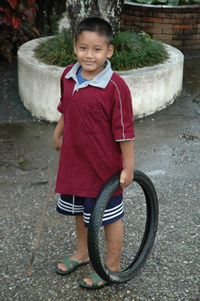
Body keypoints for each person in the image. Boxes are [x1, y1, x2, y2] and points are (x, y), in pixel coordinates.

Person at [53, 17, 135, 289]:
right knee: (80, 212)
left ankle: (111, 265)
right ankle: (84, 252)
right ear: (75, 46)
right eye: (84, 48)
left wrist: (129, 167)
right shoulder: (67, 75)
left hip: (103, 168)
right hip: (75, 162)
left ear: (109, 51)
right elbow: (66, 107)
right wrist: (58, 131)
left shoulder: (115, 87)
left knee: (108, 216)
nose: (89, 55)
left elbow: (125, 131)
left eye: (97, 49)